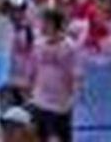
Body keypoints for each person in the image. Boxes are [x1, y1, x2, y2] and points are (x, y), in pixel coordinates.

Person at [30, 8, 78, 142]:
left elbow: (75, 73)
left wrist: (72, 97)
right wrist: (30, 90)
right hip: (41, 101)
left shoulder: (69, 46)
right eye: (43, 22)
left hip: (62, 104)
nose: (43, 25)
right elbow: (33, 69)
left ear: (56, 25)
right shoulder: (38, 44)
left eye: (47, 22)